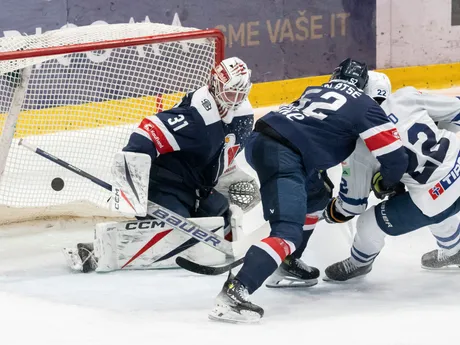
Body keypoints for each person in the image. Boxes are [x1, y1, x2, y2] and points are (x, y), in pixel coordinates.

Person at [209, 58, 409, 323]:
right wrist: (386, 183)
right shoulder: (365, 105)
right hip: (284, 155)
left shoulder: (315, 89)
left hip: (267, 139)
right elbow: (396, 160)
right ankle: (235, 293)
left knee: (317, 196)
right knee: (287, 232)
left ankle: (288, 262)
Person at [64, 57, 258, 273]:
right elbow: (146, 131)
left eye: (241, 93)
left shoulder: (243, 116)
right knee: (177, 232)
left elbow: (221, 152)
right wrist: (129, 185)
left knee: (221, 215)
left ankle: (203, 242)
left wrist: (229, 174)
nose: (236, 99)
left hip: (195, 188)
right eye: (231, 92)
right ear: (214, 84)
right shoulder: (197, 116)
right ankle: (96, 251)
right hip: (163, 184)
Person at [324, 71, 460, 281]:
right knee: (437, 203)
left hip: (434, 197)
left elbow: (352, 205)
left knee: (369, 223)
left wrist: (329, 213)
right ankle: (454, 250)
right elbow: (457, 110)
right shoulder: (406, 97)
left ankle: (359, 263)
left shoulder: (360, 144)